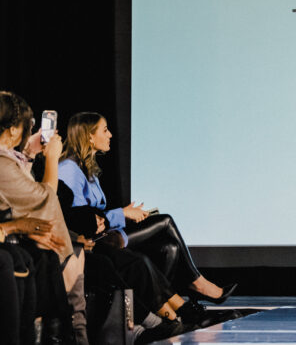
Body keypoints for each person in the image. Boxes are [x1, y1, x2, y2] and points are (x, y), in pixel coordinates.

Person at [58, 112, 235, 306]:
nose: (110, 135)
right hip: (96, 242)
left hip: (107, 233)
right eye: (105, 130)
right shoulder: (69, 168)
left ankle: (163, 309)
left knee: (170, 248)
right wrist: (122, 214)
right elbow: (77, 218)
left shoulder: (87, 168)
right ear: (89, 136)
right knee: (165, 221)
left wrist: (124, 213)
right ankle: (198, 284)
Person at [0, 91, 86, 345]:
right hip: (14, 243)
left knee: (45, 256)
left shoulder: (10, 159)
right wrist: (51, 159)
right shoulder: (3, 163)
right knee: (37, 257)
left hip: (21, 240)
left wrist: (30, 154)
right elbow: (44, 197)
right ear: (15, 130)